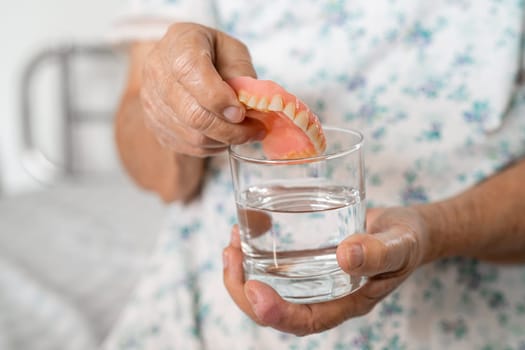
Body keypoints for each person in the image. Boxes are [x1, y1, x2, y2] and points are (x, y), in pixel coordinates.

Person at [105, 1, 525, 348]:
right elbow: (159, 175)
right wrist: (173, 102)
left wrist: (436, 230)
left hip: (460, 320)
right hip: (213, 322)